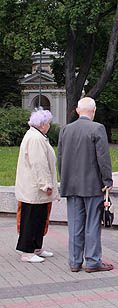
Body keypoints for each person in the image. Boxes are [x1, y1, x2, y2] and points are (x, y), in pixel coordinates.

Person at [57, 97, 114, 273]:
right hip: (92, 186)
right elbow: (103, 159)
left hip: (71, 186)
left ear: (76, 110)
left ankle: (74, 262)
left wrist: (63, 179)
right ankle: (92, 261)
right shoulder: (97, 128)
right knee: (92, 224)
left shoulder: (65, 129)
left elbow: (60, 158)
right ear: (94, 111)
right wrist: (107, 181)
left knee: (75, 225)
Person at [15, 108, 59, 263]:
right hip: (34, 190)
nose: (49, 125)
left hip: (35, 189)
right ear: (42, 124)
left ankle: (36, 248)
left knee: (39, 218)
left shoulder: (37, 136)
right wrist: (46, 184)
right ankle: (27, 252)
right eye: (48, 123)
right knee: (31, 219)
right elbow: (38, 163)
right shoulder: (36, 138)